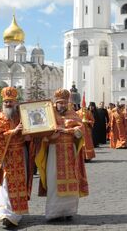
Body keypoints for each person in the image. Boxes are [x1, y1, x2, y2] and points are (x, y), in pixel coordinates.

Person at [36, 88, 88, 222]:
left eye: (65, 103)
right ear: (56, 102)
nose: (63, 105)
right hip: (54, 151)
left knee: (71, 181)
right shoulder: (49, 114)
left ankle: (69, 211)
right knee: (53, 181)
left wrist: (67, 130)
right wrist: (50, 135)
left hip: (70, 151)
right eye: (60, 103)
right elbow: (41, 132)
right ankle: (54, 212)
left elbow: (81, 129)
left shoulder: (73, 114)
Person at [0, 87, 35, 229]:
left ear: (16, 102)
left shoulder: (21, 116)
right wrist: (13, 131)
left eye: (11, 101)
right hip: (6, 155)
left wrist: (28, 136)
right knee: (5, 183)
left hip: (21, 153)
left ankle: (16, 214)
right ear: (3, 102)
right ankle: (5, 214)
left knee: (19, 183)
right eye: (6, 101)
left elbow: (29, 133)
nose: (8, 104)